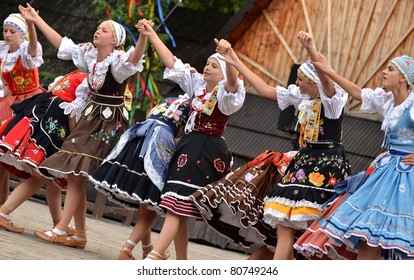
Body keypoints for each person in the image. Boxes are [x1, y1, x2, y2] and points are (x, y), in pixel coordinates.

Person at [17, 3, 149, 249]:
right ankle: (78, 234)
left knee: (76, 174)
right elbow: (62, 44)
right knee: (76, 174)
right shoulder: (90, 54)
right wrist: (36, 18)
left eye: (104, 30)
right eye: (98, 28)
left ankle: (61, 229)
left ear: (114, 41)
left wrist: (143, 37)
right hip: (89, 117)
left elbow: (134, 59)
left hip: (107, 122)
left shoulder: (118, 62)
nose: (97, 31)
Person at [214, 31, 351, 260]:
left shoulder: (332, 100)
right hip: (304, 161)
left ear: (311, 81)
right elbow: (266, 89)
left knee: (314, 223)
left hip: (327, 164)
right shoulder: (301, 98)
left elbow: (326, 78)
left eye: (300, 79)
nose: (296, 83)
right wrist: (235, 60)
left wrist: (310, 48)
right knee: (284, 223)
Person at [136, 20, 246, 260]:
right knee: (178, 207)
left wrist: (229, 56)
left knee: (177, 204)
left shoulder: (226, 95)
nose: (207, 68)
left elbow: (233, 82)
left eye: (214, 66)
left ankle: (155, 256)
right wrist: (152, 33)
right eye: (207, 63)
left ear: (224, 74)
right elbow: (172, 62)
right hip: (188, 145)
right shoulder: (197, 85)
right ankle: (182, 263)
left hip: (206, 150)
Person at [306, 54, 414, 259]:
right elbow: (358, 92)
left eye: (390, 69)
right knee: (367, 237)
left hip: (407, 178)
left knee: (400, 247)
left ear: (403, 77)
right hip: (385, 172)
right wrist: (327, 71)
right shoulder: (388, 101)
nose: (384, 71)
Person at [90, 94, 190, 259]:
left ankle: (146, 248)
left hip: (140, 135)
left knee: (146, 198)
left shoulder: (170, 98)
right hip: (159, 142)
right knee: (152, 201)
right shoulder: (195, 106)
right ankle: (127, 249)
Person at [0, 70, 88, 234]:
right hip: (54, 124)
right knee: (43, 174)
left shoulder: (76, 74)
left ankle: (59, 223)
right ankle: (4, 212)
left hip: (44, 115)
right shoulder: (89, 81)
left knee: (51, 179)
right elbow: (73, 114)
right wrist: (73, 140)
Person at [0, 12, 44, 205]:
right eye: (5, 31)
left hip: (26, 103)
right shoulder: (3, 50)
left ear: (22, 34)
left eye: (12, 31)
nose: (7, 35)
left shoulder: (26, 52)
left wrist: (32, 25)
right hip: (6, 100)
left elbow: (34, 47)